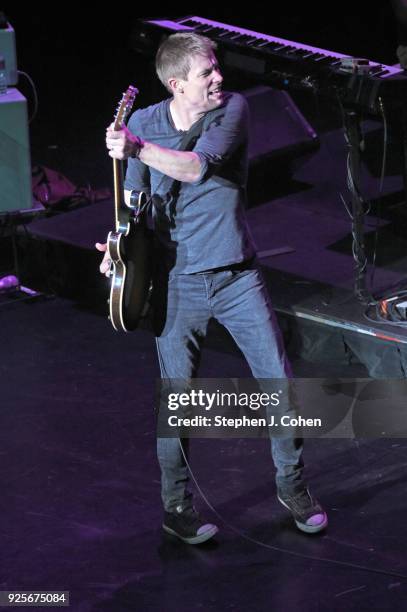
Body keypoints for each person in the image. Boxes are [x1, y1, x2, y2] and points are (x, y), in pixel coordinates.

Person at [96, 32, 328, 545]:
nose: (219, 77)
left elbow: (197, 168)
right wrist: (118, 244)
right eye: (207, 73)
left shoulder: (231, 111)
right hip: (175, 283)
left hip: (236, 277)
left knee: (279, 385)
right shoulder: (144, 122)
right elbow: (134, 202)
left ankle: (293, 487)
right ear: (177, 84)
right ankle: (176, 507)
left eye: (216, 68)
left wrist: (137, 148)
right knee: (177, 402)